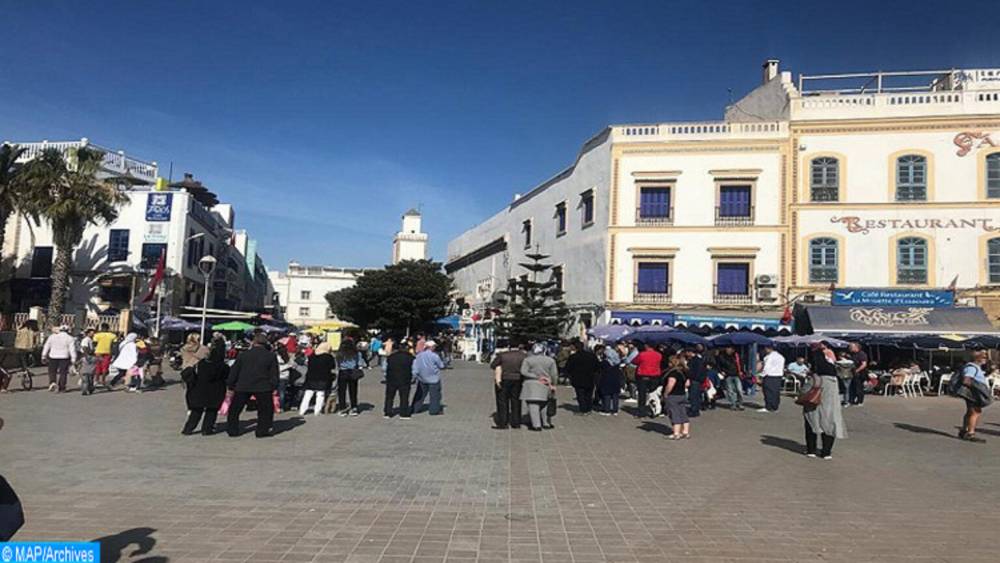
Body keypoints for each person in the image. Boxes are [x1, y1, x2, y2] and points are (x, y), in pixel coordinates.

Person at [226, 333, 279, 438]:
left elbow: (234, 371)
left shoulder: (243, 355)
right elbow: (274, 373)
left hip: (243, 385)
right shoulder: (270, 356)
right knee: (265, 410)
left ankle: (232, 430)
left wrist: (230, 385)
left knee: (235, 409)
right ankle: (262, 430)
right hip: (263, 386)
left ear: (253, 342)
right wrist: (274, 386)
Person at [804, 342, 847, 459]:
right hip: (831, 401)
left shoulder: (815, 375)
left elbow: (805, 391)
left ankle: (811, 450)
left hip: (814, 401)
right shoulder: (833, 375)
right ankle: (826, 452)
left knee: (811, 422)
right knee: (830, 423)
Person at [182, 338, 229, 435]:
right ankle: (207, 429)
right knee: (212, 411)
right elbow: (227, 377)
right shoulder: (223, 366)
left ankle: (188, 429)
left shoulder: (201, 364)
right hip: (216, 391)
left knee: (196, 411)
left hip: (199, 390)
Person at [952, 350, 992, 442]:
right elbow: (966, 380)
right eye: (984, 357)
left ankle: (964, 430)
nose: (985, 359)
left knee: (970, 412)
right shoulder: (972, 368)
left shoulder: (974, 367)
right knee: (975, 412)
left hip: (971, 393)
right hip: (973, 394)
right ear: (978, 358)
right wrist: (977, 388)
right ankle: (970, 433)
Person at [520, 343, 557, 431]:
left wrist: (536, 376)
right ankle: (546, 423)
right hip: (546, 384)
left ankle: (536, 425)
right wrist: (553, 384)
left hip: (531, 384)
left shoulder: (528, 360)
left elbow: (523, 372)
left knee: (533, 405)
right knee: (544, 404)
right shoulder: (550, 360)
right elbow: (554, 374)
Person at [491, 342, 527, 429]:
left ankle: (503, 423)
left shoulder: (502, 355)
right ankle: (516, 423)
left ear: (509, 347)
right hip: (518, 380)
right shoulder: (523, 356)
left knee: (502, 401)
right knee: (516, 401)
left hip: (504, 379)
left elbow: (493, 365)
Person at [298, 342, 336, 416]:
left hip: (311, 377)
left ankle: (302, 410)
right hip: (323, 378)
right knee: (320, 394)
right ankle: (317, 411)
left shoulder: (312, 356)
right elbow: (332, 367)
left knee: (308, 394)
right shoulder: (328, 357)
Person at [565, 340, 601, 414]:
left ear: (575, 348)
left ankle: (583, 409)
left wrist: (569, 376)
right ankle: (589, 408)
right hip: (590, 377)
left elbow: (568, 368)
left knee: (580, 395)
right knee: (589, 394)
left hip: (577, 378)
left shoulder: (573, 357)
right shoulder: (592, 356)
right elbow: (597, 367)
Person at [411, 340, 446, 415]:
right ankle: (434, 410)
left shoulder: (419, 355)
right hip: (433, 378)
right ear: (431, 347)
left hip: (422, 378)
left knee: (420, 394)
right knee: (435, 395)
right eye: (434, 346)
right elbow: (441, 365)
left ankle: (414, 408)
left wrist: (414, 376)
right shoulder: (434, 356)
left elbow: (415, 366)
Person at [630, 341, 663, 418]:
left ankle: (641, 411)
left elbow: (634, 361)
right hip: (655, 376)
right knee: (653, 394)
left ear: (647, 346)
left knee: (642, 394)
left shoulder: (642, 354)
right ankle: (655, 409)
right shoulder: (659, 355)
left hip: (643, 375)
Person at [662, 354, 690, 439]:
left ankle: (676, 433)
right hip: (682, 394)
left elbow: (671, 384)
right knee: (683, 413)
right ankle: (685, 432)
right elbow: (687, 383)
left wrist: (666, 393)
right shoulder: (685, 371)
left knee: (674, 413)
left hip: (673, 395)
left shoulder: (673, 373)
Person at [41, 325, 77, 392]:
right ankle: (62, 387)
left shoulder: (52, 337)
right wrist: (73, 359)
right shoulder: (70, 338)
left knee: (52, 371)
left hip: (53, 356)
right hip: (64, 357)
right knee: (63, 372)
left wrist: (43, 356)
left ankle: (52, 382)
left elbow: (46, 346)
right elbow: (72, 350)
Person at [384, 343, 414, 419]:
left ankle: (387, 412)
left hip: (391, 379)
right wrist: (413, 378)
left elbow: (384, 368)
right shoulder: (411, 357)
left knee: (389, 396)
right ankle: (403, 413)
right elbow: (414, 369)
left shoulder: (391, 357)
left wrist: (386, 376)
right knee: (404, 396)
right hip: (405, 379)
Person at [336, 338, 363, 416]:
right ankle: (354, 408)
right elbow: (360, 363)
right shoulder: (356, 353)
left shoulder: (340, 353)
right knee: (353, 391)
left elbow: (338, 363)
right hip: (353, 372)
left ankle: (342, 408)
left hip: (343, 371)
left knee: (341, 391)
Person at [758, 344, 785, 413]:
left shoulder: (768, 357)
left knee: (768, 392)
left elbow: (766, 367)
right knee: (776, 392)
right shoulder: (781, 356)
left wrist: (761, 375)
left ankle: (768, 407)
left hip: (769, 376)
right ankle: (775, 407)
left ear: (768, 349)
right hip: (778, 376)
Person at [597, 344, 623, 416]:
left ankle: (606, 410)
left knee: (607, 395)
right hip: (616, 380)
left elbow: (599, 370)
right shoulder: (617, 362)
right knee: (615, 395)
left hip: (606, 380)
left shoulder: (605, 362)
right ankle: (615, 410)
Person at [716, 346, 744, 411]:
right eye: (727, 348)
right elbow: (718, 365)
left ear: (733, 349)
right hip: (727, 375)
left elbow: (741, 364)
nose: (727, 350)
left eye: (729, 348)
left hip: (737, 375)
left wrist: (742, 371)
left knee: (739, 389)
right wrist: (721, 371)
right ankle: (733, 404)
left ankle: (740, 403)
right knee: (730, 391)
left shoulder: (736, 356)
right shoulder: (721, 356)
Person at [686, 345, 706, 417]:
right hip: (697, 380)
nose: (686, 354)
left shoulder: (695, 360)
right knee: (696, 395)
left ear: (691, 352)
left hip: (695, 380)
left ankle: (694, 410)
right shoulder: (697, 359)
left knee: (694, 396)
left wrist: (691, 377)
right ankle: (695, 409)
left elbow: (696, 371)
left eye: (687, 352)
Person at [848, 342, 869, 407]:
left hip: (860, 374)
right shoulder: (852, 354)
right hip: (852, 373)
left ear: (856, 347)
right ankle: (851, 400)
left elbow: (864, 364)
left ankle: (860, 401)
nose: (850, 348)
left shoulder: (861, 354)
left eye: (851, 347)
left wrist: (857, 370)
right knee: (852, 387)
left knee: (859, 387)